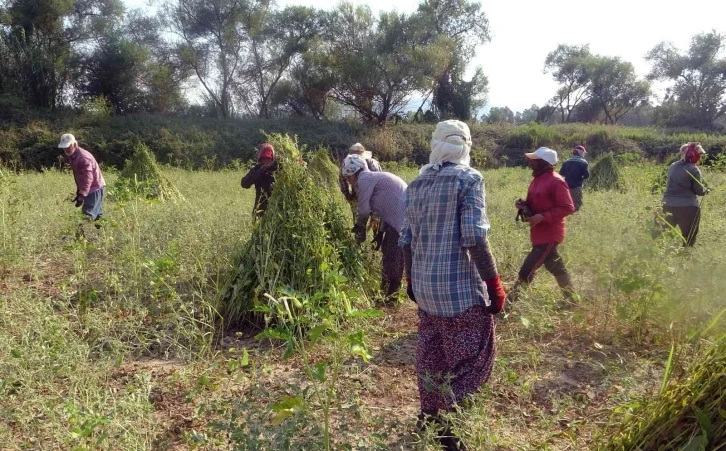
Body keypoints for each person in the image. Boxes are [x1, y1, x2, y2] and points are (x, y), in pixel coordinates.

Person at [399, 120, 507, 451]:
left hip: (426, 290)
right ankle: (452, 429)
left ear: (436, 145)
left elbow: (406, 239)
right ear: (466, 147)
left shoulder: (416, 185)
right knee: (471, 361)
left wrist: (410, 279)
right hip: (460, 294)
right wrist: (495, 284)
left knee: (430, 353)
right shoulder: (469, 179)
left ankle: (428, 417)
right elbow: (474, 236)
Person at [341, 154, 406, 302]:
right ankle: (387, 290)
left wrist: (360, 226)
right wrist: (381, 232)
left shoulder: (365, 179)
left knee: (393, 254)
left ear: (357, 171)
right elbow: (384, 207)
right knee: (388, 251)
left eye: (349, 177)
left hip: (403, 219)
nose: (349, 181)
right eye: (347, 178)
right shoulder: (370, 178)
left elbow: (363, 209)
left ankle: (392, 294)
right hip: (396, 218)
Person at [513, 147, 576, 301]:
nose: (530, 163)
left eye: (534, 161)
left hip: (550, 233)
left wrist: (543, 217)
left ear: (543, 163)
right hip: (538, 232)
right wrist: (524, 205)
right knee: (554, 265)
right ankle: (573, 300)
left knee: (528, 267)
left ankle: (510, 303)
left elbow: (568, 207)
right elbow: (536, 202)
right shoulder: (537, 180)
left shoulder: (557, 181)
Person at [659, 142, 709, 246]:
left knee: (659, 234)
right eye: (699, 155)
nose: (700, 157)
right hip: (687, 207)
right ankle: (685, 256)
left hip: (666, 204)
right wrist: (705, 190)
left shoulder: (672, 166)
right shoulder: (693, 169)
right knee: (689, 238)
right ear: (693, 155)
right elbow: (699, 191)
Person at [58, 133, 106, 222]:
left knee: (87, 215)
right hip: (91, 188)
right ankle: (101, 234)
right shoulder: (72, 155)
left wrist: (82, 194)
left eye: (68, 146)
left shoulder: (84, 158)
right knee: (97, 216)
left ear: (75, 144)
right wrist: (79, 192)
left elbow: (88, 178)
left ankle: (80, 235)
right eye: (64, 147)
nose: (66, 149)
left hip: (94, 188)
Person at [241, 142, 278, 219]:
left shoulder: (278, 169)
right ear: (260, 159)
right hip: (260, 211)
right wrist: (261, 170)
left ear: (272, 158)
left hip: (277, 211)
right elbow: (244, 184)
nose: (266, 161)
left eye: (268, 159)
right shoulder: (257, 169)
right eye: (263, 159)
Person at [559, 145, 590, 212]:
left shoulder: (566, 161)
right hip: (577, 187)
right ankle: (574, 217)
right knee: (577, 205)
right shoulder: (584, 162)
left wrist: (568, 174)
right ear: (581, 153)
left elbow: (561, 173)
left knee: (566, 204)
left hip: (566, 187)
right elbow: (586, 176)